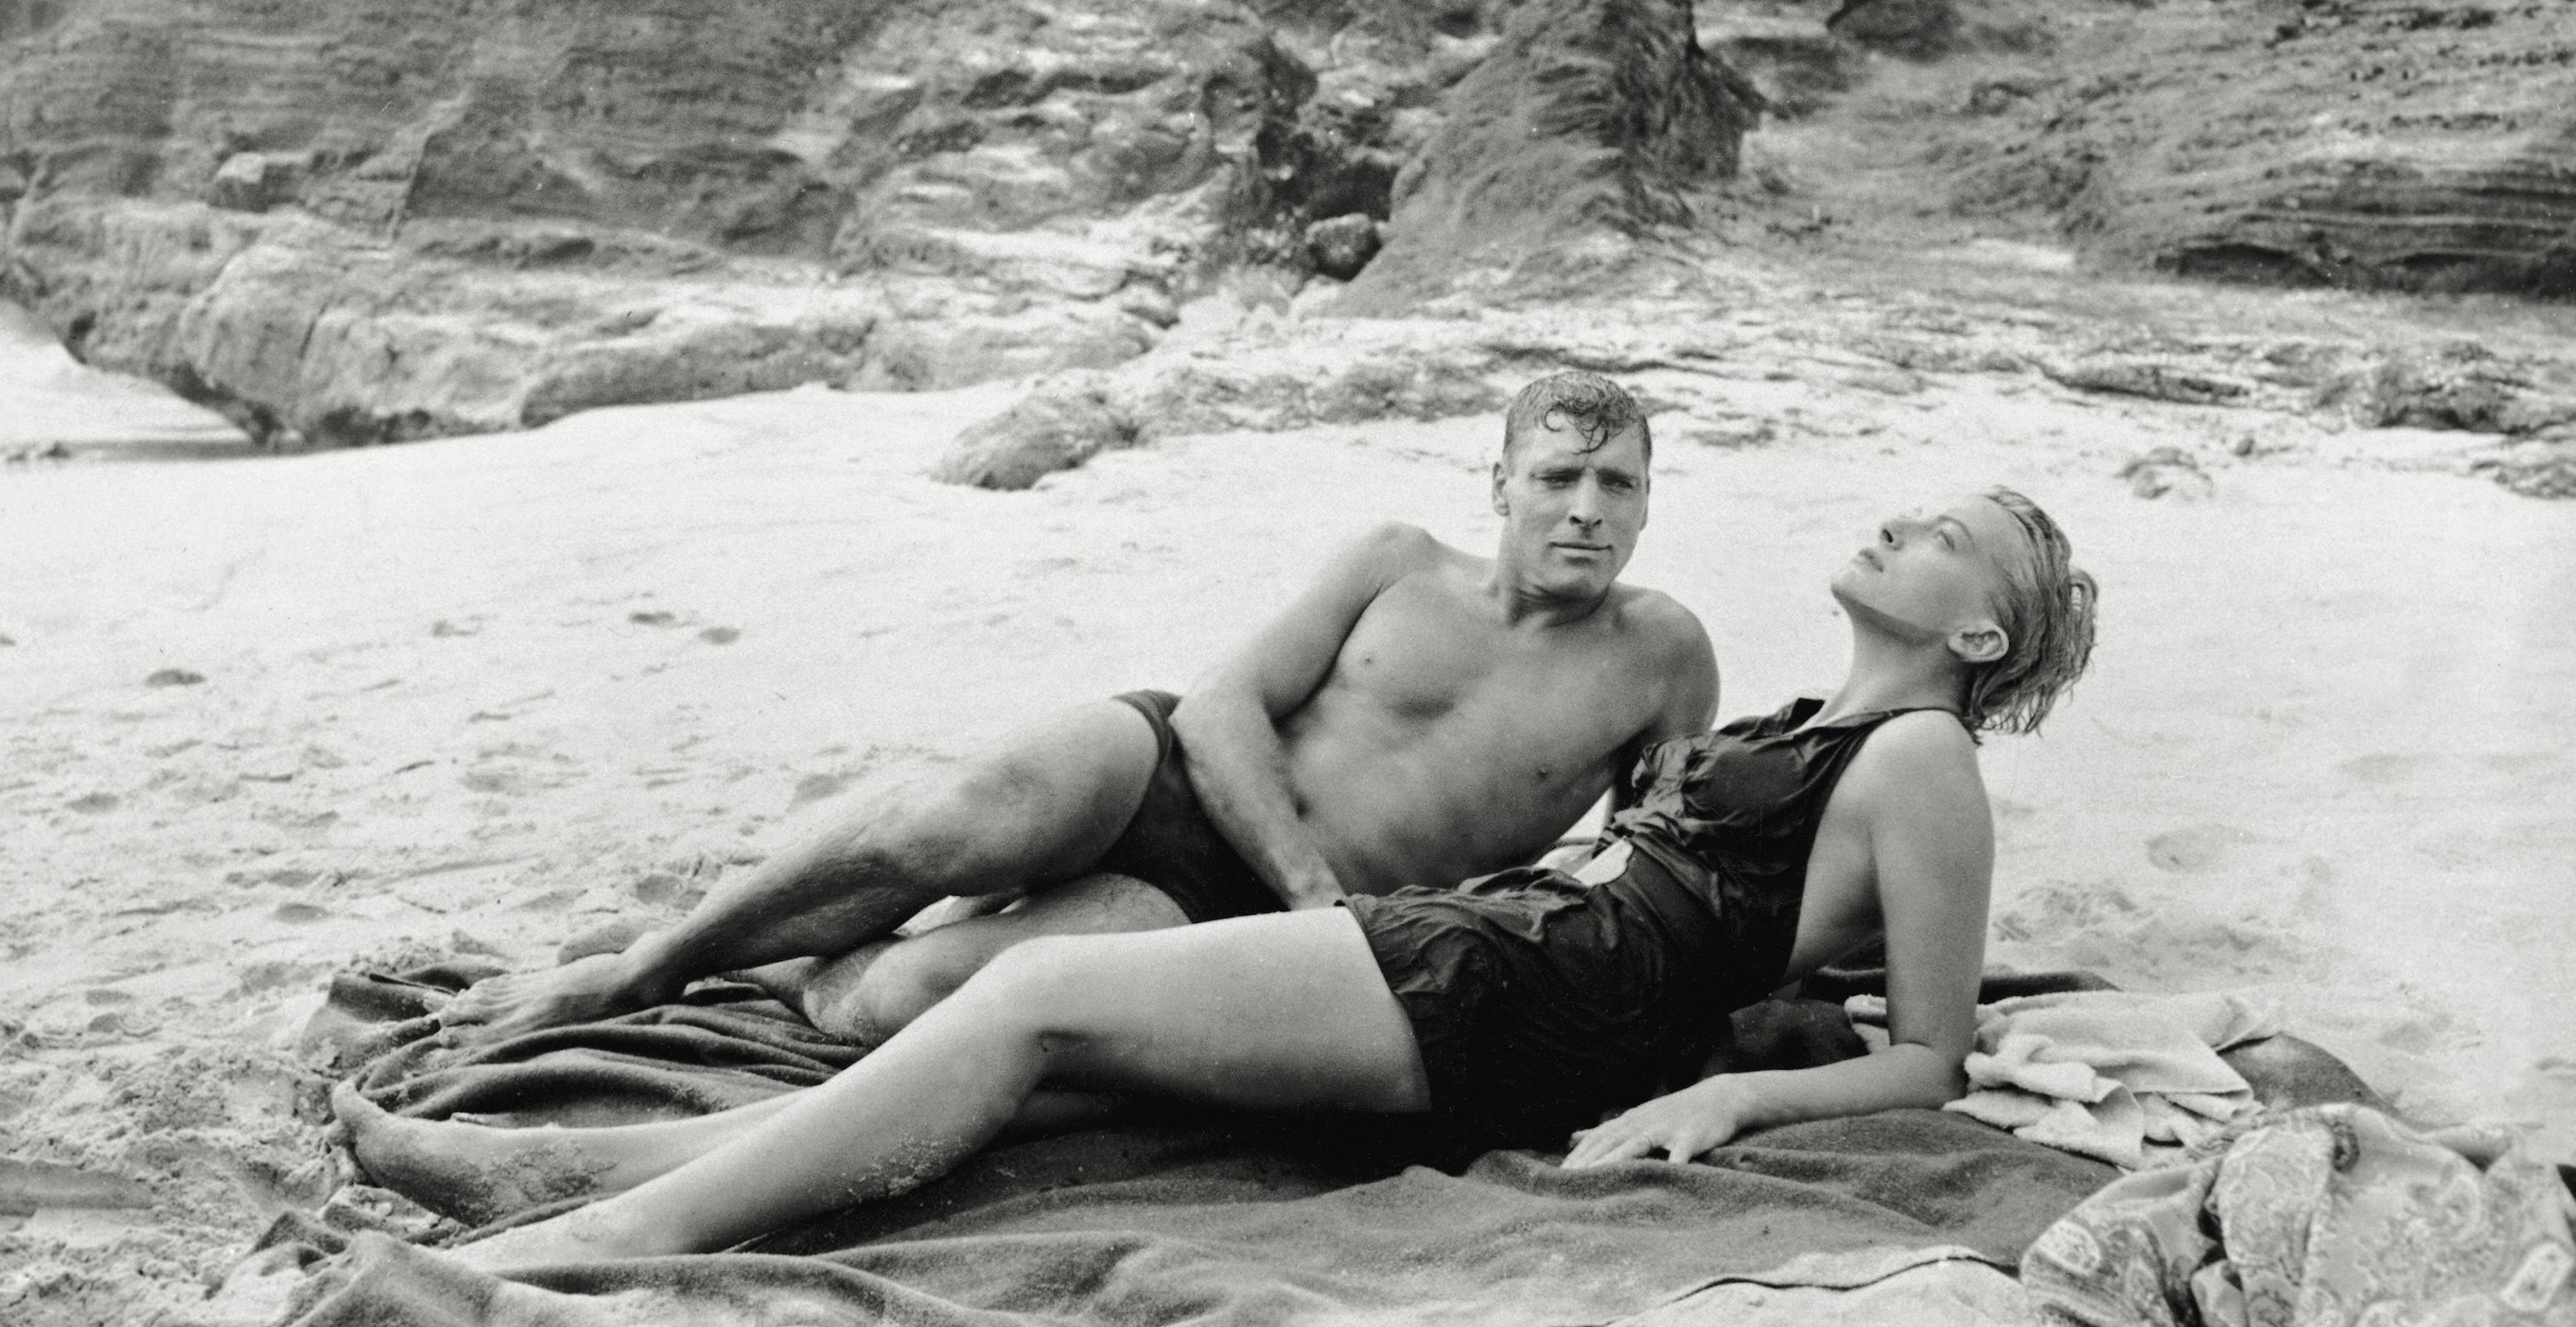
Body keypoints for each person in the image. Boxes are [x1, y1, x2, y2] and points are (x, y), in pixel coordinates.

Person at [337, 485, 2102, 1266]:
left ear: (1978, 627)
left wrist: (1717, 1109)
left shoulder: (1924, 759)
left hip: (1535, 1000)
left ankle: (607, 1239)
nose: (1899, 525)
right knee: (1051, 1067)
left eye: (1945, 534)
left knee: (1032, 1003)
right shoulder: (1812, 717)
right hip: (1502, 957)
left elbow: (1930, 1057)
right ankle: (579, 1168)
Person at [436, 371, 1719, 1046]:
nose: (1588, 510)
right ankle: (637, 969)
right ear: (1498, 481)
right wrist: (1322, 893)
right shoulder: (1398, 559)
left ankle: (773, 957)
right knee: (956, 822)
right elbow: (1221, 708)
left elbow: (1661, 874)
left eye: (1620, 484)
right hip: (1172, 774)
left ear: (1650, 502)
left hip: (1232, 912)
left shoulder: (1661, 657)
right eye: (1559, 476)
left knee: (900, 1002)